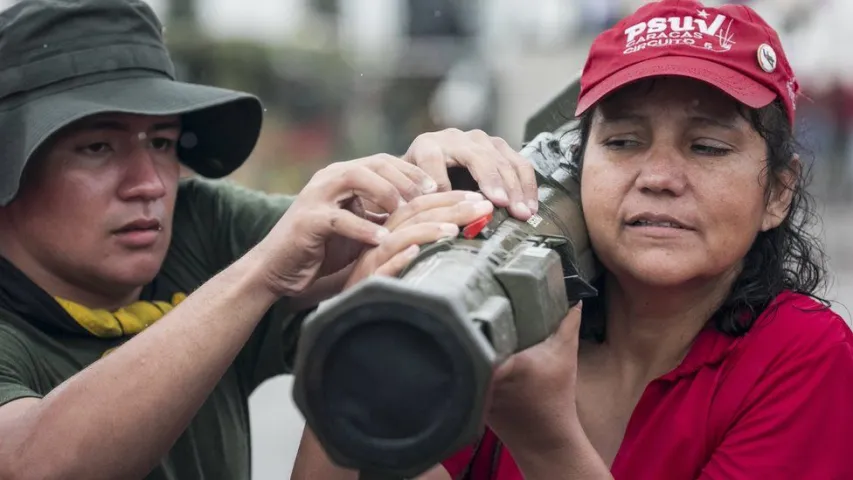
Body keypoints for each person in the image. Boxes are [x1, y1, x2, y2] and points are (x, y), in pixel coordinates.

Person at [291, 0, 853, 479]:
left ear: (778, 193)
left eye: (707, 147)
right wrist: (368, 317)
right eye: (624, 141)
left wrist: (543, 438)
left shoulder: (807, 358)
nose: (658, 176)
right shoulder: (502, 311)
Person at [0, 1, 541, 479]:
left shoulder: (196, 223)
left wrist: (424, 193)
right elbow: (33, 463)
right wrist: (261, 275)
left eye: (162, 142)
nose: (150, 183)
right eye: (97, 147)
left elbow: (343, 239)